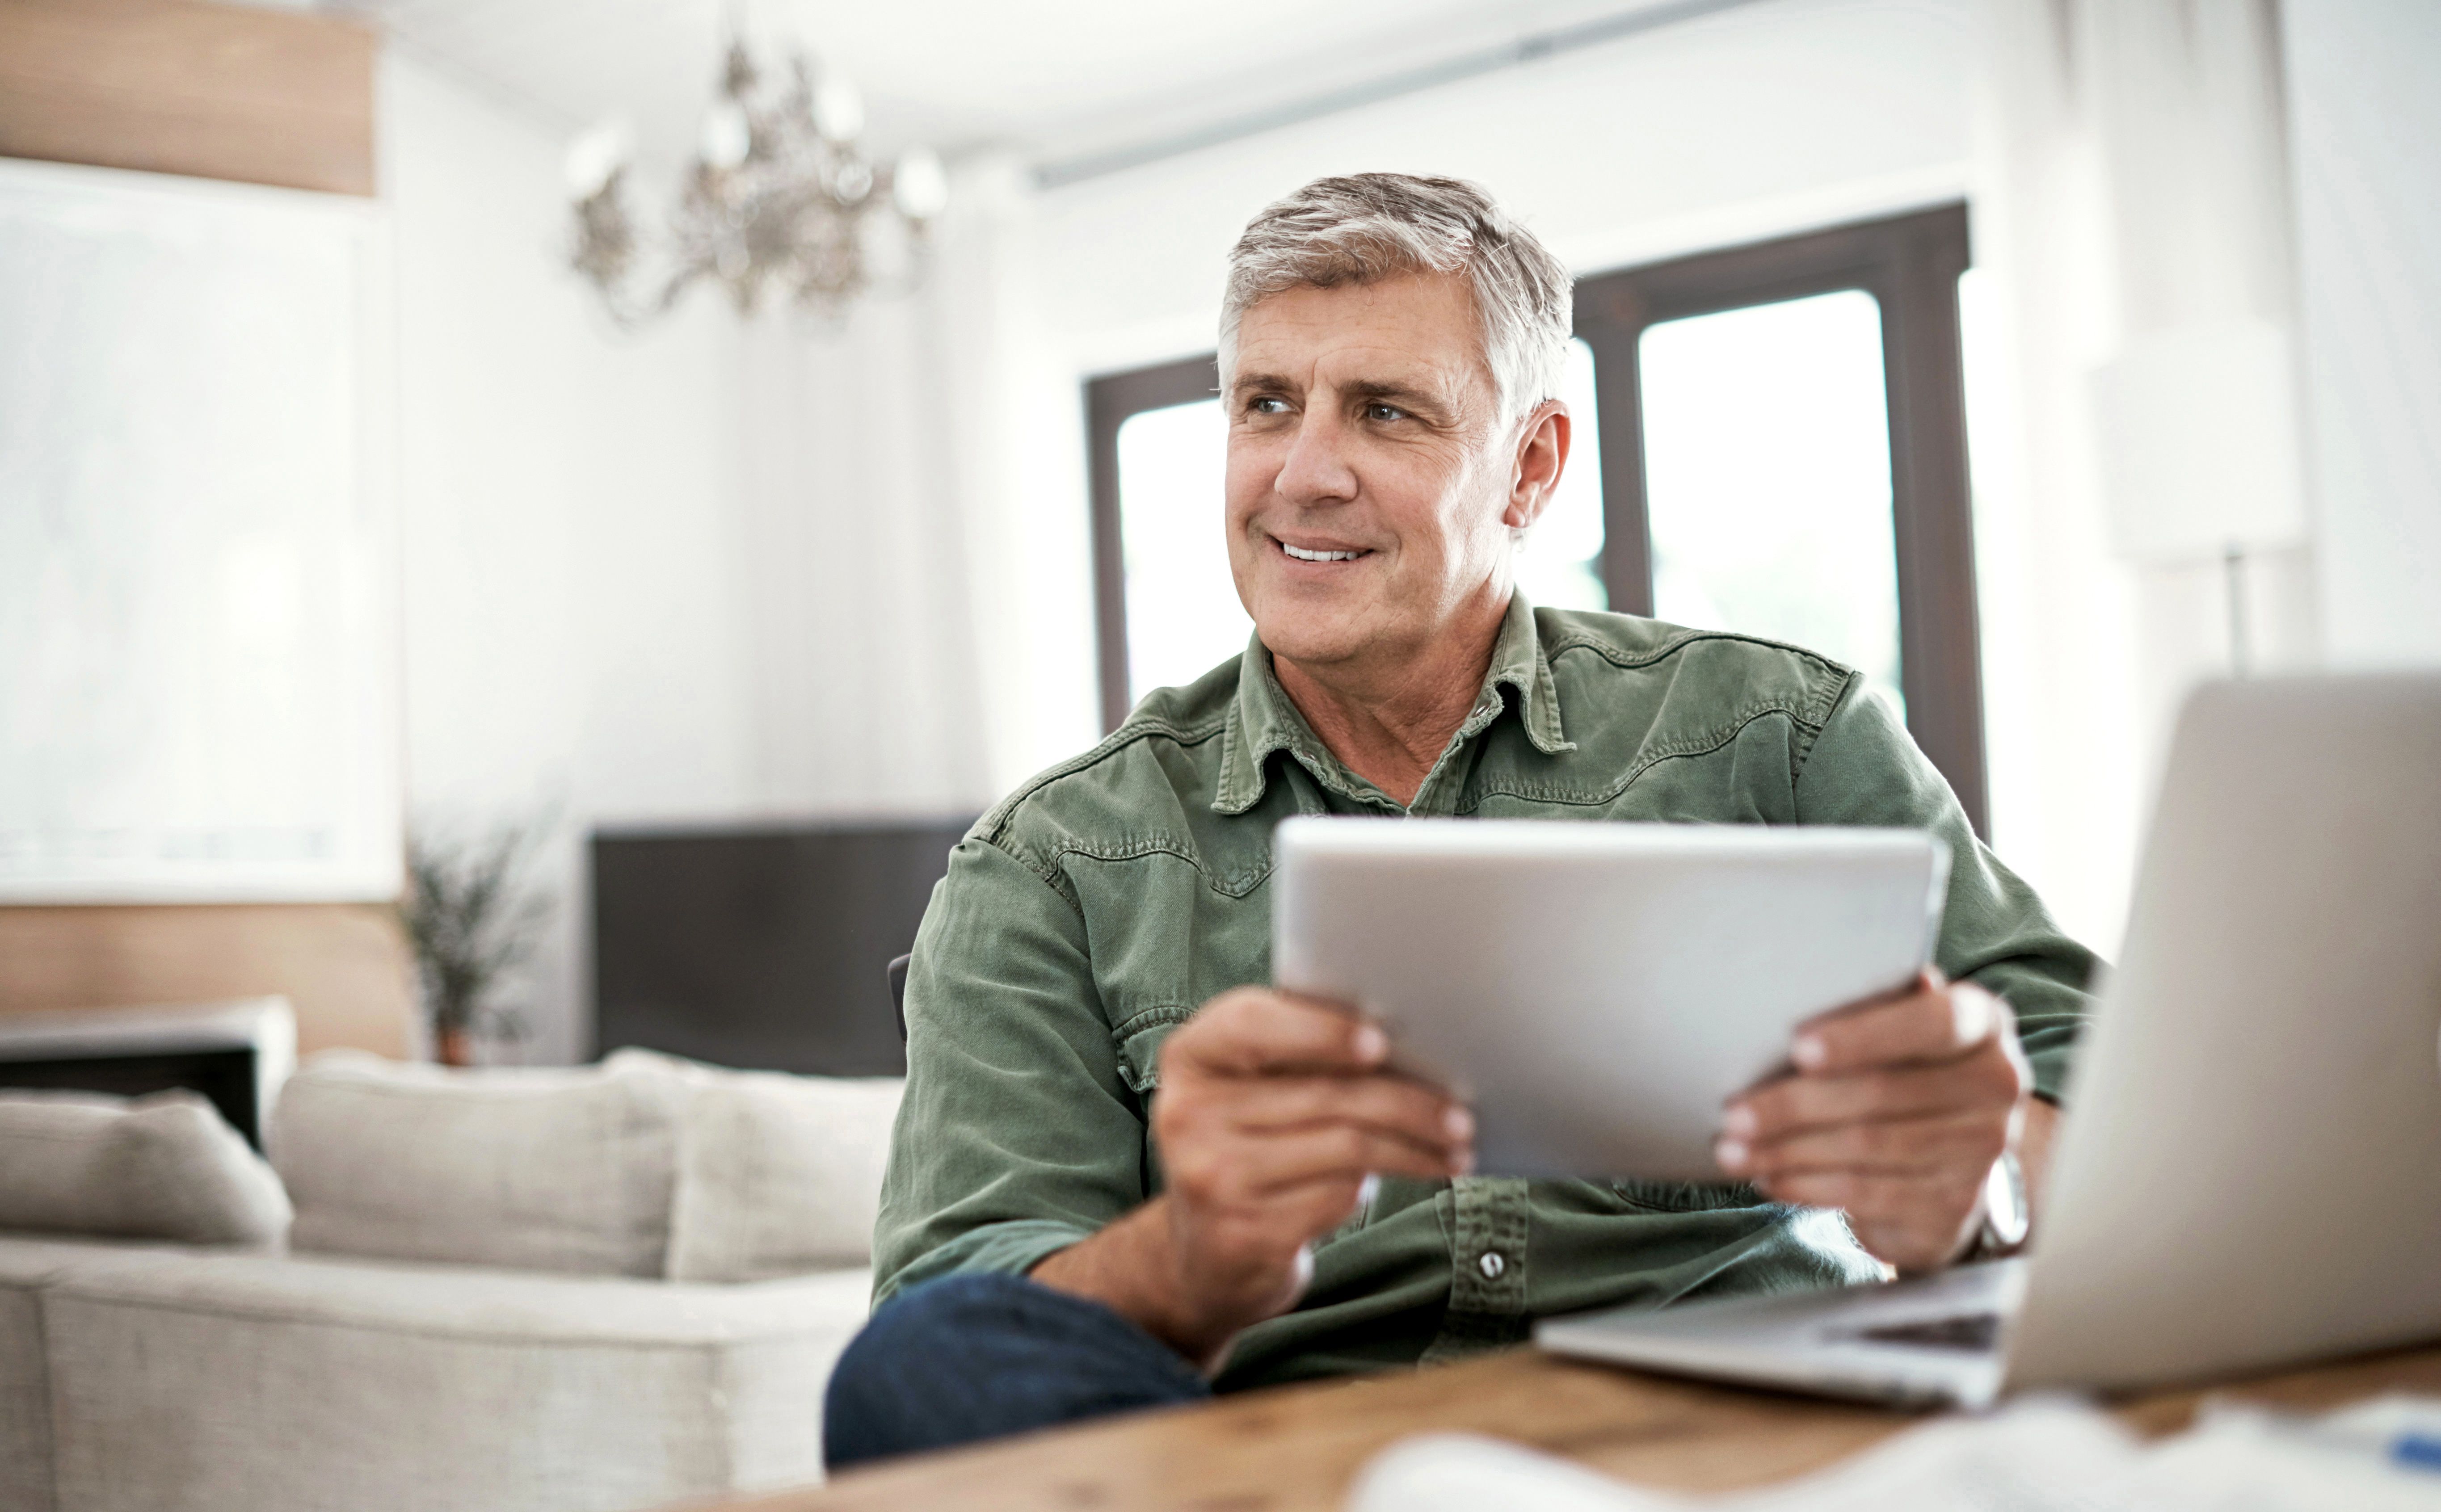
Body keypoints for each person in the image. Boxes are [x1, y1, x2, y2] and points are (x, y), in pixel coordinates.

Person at [822, 172, 2095, 1468]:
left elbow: (2128, 1121)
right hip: (1293, 1471)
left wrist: (1979, 1184)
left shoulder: (1780, 735)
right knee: (911, 1374)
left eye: (1385, 412)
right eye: (1267, 404)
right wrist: (1194, 1254)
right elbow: (962, 1320)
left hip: (1722, 1450)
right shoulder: (1050, 862)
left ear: (1531, 467)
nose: (1303, 474)